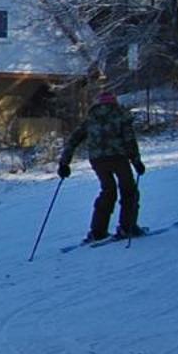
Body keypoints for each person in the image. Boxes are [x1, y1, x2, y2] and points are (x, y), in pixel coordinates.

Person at [58, 89, 147, 242]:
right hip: (118, 157)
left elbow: (74, 139)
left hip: (97, 160)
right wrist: (136, 161)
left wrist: (64, 163)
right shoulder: (120, 115)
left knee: (108, 191)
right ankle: (127, 227)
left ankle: (97, 231)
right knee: (129, 191)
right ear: (114, 102)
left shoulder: (91, 118)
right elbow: (129, 140)